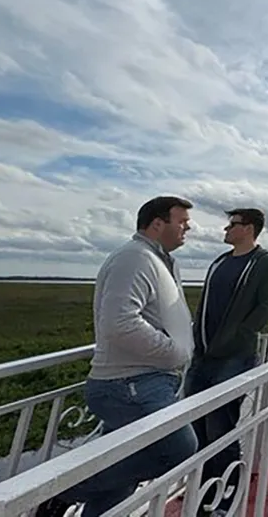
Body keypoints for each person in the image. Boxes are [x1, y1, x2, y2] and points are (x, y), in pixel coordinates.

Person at [37, 196, 198, 517]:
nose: (187, 227)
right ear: (157, 223)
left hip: (147, 381)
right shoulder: (133, 259)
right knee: (179, 449)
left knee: (117, 483)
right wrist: (174, 352)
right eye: (181, 221)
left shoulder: (161, 261)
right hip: (129, 385)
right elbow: (120, 323)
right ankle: (63, 491)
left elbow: (161, 317)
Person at [184, 208, 268, 516]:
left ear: (249, 229)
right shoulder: (220, 262)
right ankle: (201, 492)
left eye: (233, 224)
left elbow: (264, 309)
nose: (226, 229)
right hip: (202, 357)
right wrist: (197, 340)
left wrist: (233, 340)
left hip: (233, 359)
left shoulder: (264, 264)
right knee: (195, 427)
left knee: (221, 427)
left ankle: (224, 498)